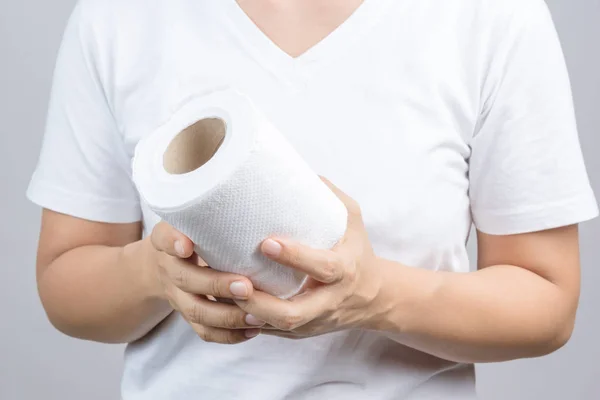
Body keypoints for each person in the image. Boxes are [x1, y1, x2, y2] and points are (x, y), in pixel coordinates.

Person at [28, 0, 598, 399]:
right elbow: (66, 282)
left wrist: (376, 297)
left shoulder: (489, 18)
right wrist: (156, 274)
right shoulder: (119, 19)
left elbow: (546, 303)